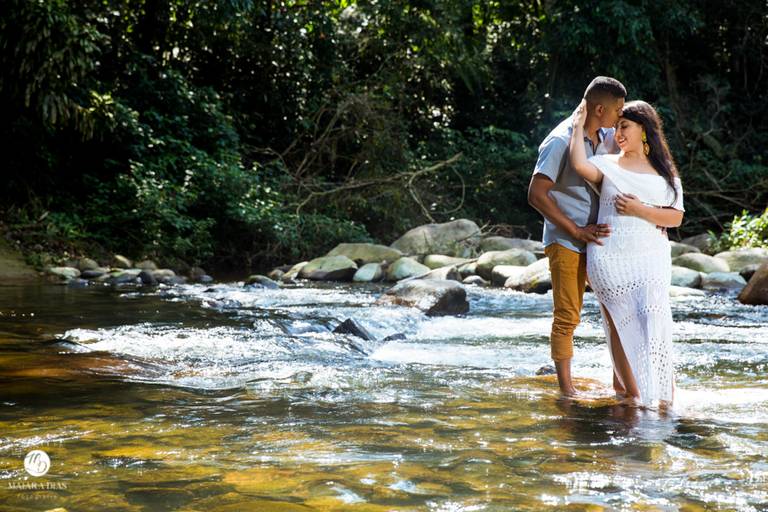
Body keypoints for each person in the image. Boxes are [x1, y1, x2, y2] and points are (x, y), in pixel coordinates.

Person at [568, 98, 684, 408]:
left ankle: (660, 393)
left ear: (643, 129)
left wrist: (639, 209)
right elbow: (579, 165)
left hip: (652, 256)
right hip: (610, 256)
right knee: (620, 324)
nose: (617, 133)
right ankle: (634, 396)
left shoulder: (664, 171)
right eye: (616, 127)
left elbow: (675, 217)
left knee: (654, 317)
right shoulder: (607, 165)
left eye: (624, 126)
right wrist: (578, 126)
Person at [528, 76, 626, 397]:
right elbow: (536, 194)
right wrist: (575, 230)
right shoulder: (559, 140)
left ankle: (621, 384)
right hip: (567, 240)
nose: (620, 116)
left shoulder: (606, 135)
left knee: (618, 311)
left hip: (598, 241)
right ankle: (567, 392)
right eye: (618, 110)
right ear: (600, 108)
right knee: (567, 316)